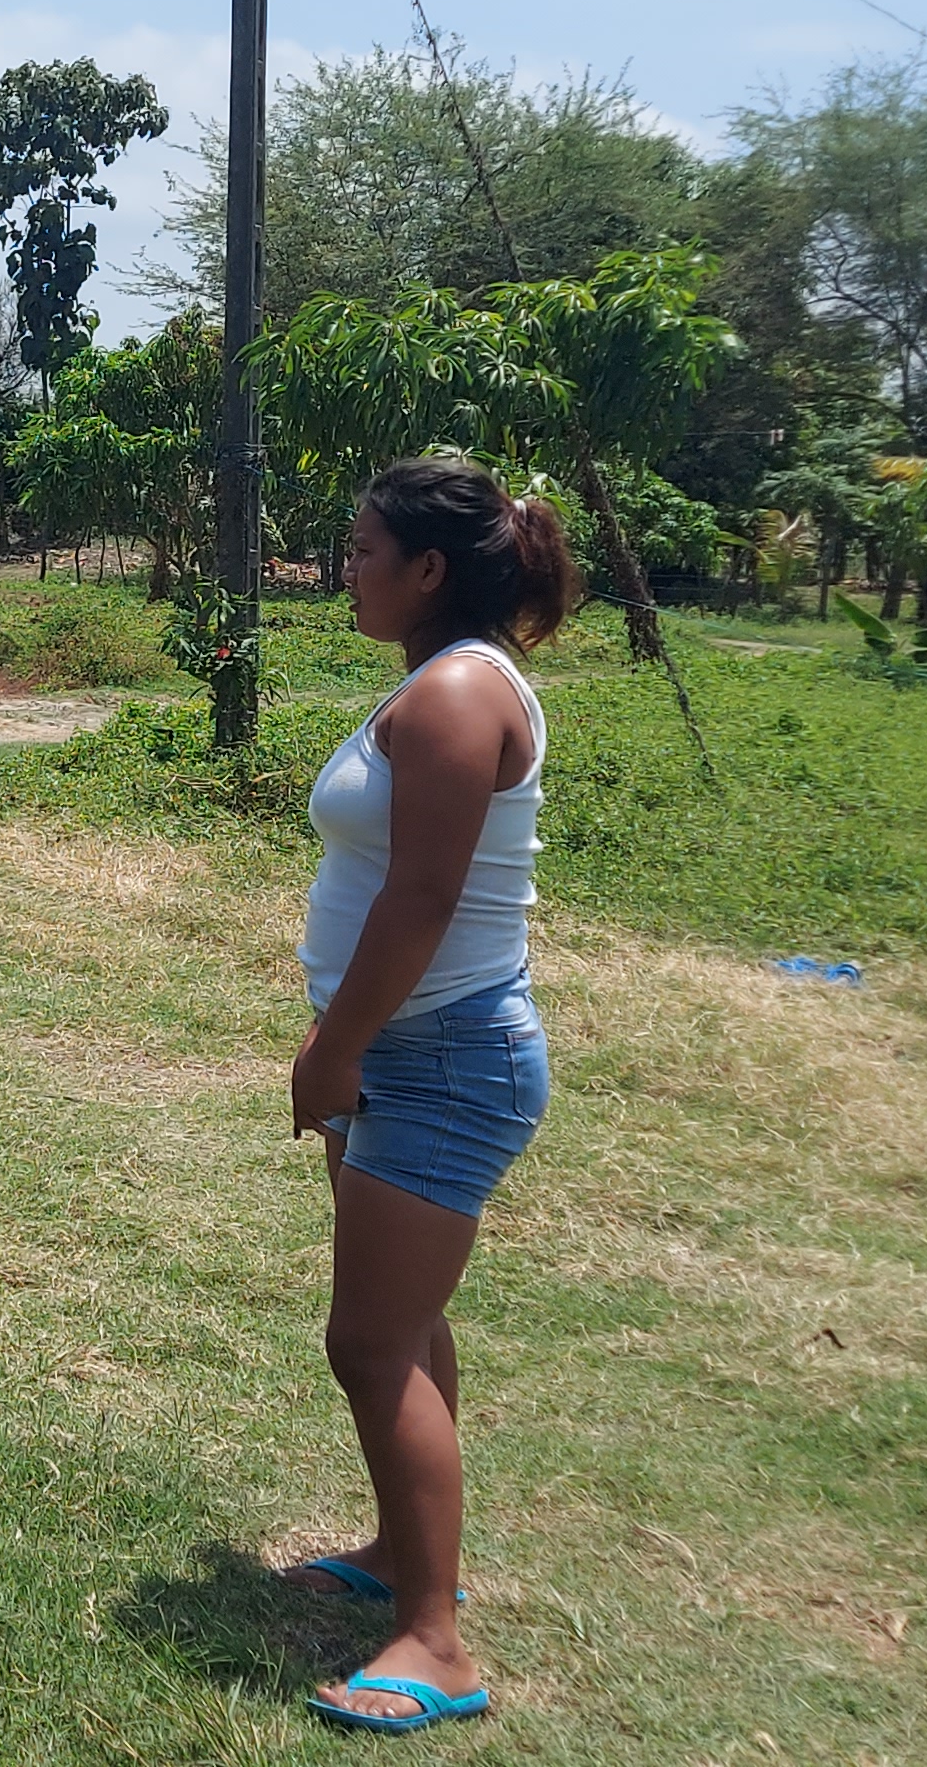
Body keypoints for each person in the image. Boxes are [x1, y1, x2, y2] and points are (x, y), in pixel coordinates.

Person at [270, 456, 578, 1733]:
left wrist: (334, 1045)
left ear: (430, 567)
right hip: (408, 1047)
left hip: (438, 1055)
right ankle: (404, 1554)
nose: (344, 569)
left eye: (360, 550)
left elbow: (422, 897)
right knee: (407, 1321)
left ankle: (434, 1640)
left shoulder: (456, 691)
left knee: (369, 1340)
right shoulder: (444, 677)